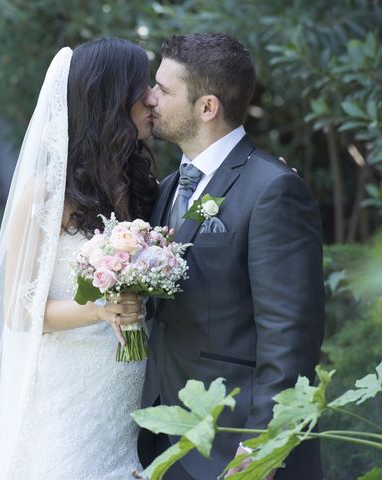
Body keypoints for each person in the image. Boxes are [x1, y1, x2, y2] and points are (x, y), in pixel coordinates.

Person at [137, 32, 325, 480]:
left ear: (207, 107)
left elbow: (290, 338)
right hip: (170, 441)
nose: (149, 97)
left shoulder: (272, 190)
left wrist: (259, 449)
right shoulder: (167, 189)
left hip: (237, 448)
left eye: (163, 89)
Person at [0, 38, 159, 479]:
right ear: (113, 100)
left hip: (127, 392)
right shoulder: (41, 195)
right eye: (143, 88)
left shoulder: (140, 186)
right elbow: (20, 312)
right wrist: (100, 310)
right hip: (69, 393)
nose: (153, 98)